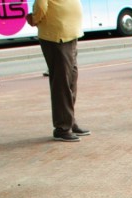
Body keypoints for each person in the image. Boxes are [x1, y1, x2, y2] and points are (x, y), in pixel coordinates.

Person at [27, 0, 89, 142]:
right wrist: (34, 19)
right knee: (62, 82)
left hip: (69, 34)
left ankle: (69, 121)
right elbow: (41, 5)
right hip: (57, 36)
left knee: (71, 80)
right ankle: (62, 127)